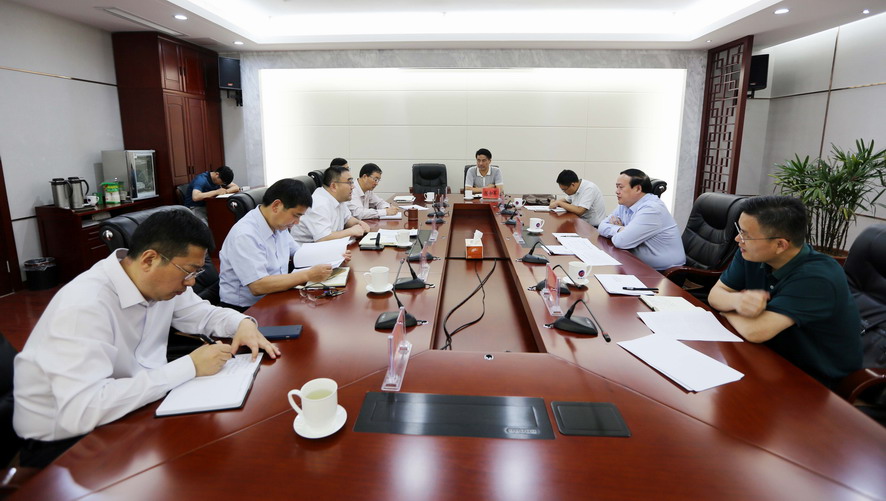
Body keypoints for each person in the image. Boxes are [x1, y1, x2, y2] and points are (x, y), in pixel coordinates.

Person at [13, 210, 279, 467]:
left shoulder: (158, 283)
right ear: (149, 259)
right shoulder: (84, 306)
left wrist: (241, 323)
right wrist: (189, 366)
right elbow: (83, 409)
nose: (191, 283)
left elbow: (202, 313)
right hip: (67, 441)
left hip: (136, 403)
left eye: (196, 273)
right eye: (189, 271)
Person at [708, 195, 862, 387]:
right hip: (768, 358)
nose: (738, 239)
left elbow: (756, 331)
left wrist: (727, 310)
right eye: (739, 230)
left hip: (815, 380)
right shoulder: (751, 253)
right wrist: (737, 301)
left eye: (746, 234)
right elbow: (716, 294)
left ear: (780, 244)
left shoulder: (818, 277)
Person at [219, 178, 351, 311]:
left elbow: (298, 252)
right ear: (276, 206)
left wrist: (333, 255)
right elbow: (258, 285)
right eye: (296, 215)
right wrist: (308, 275)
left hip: (276, 295)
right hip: (248, 309)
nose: (297, 222)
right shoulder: (245, 234)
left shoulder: (277, 224)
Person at [597, 169, 685, 270]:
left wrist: (620, 232)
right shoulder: (625, 204)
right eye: (617, 187)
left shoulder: (652, 209)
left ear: (638, 189)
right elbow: (601, 226)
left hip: (664, 272)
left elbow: (621, 241)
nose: (616, 191)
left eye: (621, 187)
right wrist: (621, 229)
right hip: (637, 263)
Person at [290, 165, 370, 243]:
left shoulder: (338, 198)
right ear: (334, 186)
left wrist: (359, 223)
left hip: (328, 247)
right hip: (307, 249)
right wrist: (351, 231)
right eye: (349, 182)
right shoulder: (319, 203)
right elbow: (323, 238)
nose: (353, 186)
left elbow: (347, 219)